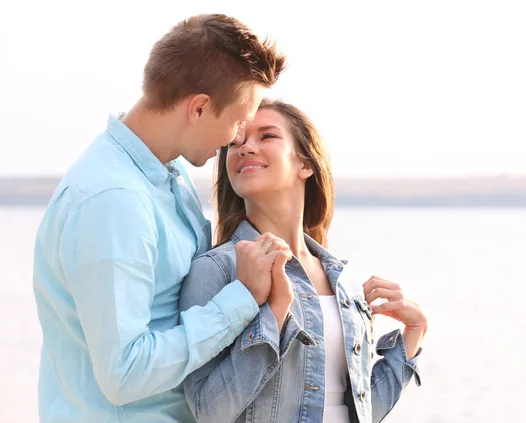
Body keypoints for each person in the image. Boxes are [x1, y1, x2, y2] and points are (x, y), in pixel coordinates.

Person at [32, 14, 288, 423]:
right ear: (200, 108)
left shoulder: (167, 173)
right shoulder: (113, 202)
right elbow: (125, 373)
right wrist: (240, 298)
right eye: (239, 120)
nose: (239, 137)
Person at [179, 100, 427, 423]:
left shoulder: (345, 283)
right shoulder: (217, 270)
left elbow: (355, 411)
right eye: (236, 142)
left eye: (266, 136)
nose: (245, 147)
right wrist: (273, 314)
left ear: (305, 164)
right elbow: (208, 412)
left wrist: (413, 335)